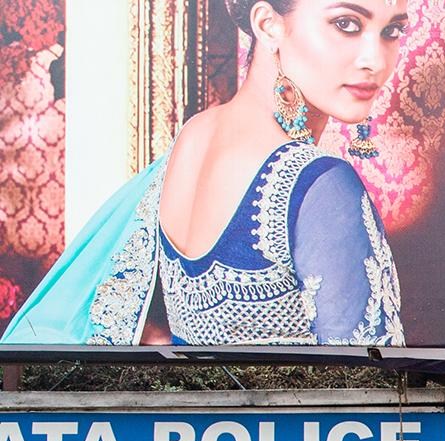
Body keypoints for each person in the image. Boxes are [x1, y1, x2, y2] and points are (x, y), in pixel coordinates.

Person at [3, 0, 407, 347]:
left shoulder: (191, 138)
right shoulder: (320, 185)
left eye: (391, 31)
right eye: (346, 25)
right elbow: (379, 402)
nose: (374, 59)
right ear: (269, 26)